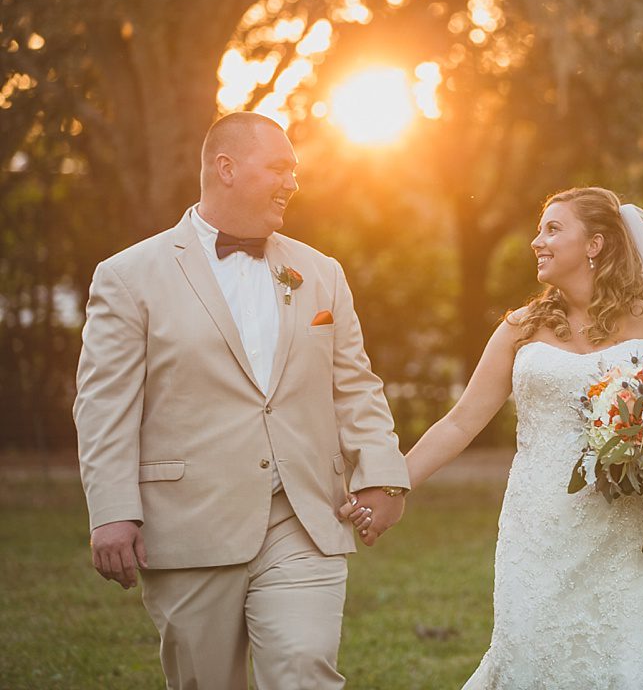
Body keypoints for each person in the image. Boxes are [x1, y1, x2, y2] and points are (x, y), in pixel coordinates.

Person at [73, 111, 410, 690]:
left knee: (305, 667)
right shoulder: (128, 276)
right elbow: (105, 405)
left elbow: (355, 383)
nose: (293, 182)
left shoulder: (322, 273)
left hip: (304, 516)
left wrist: (380, 472)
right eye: (280, 167)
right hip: (190, 522)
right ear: (225, 168)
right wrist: (112, 511)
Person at [344, 186, 643, 688]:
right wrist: (393, 484)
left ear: (595, 244)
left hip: (629, 537)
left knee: (627, 664)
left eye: (552, 229)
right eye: (538, 229)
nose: (535, 242)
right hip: (539, 528)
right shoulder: (520, 329)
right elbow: (460, 422)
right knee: (528, 655)